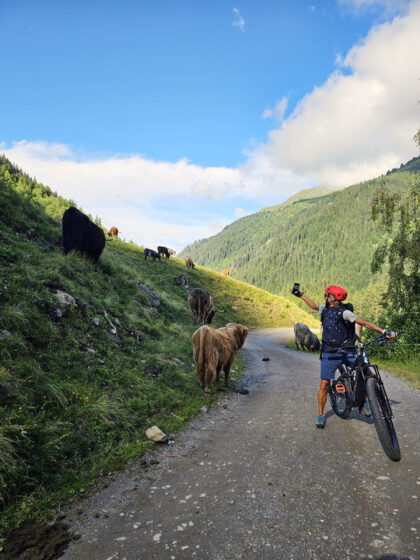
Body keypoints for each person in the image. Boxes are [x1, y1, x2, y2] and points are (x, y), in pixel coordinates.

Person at [291, 284, 398, 429]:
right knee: (325, 385)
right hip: (330, 352)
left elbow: (364, 323)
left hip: (348, 351)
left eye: (326, 295)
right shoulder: (325, 309)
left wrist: (384, 331)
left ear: (331, 298)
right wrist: (300, 295)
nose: (324, 297)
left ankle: (365, 402)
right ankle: (321, 415)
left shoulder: (345, 313)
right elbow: (314, 306)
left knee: (367, 373)